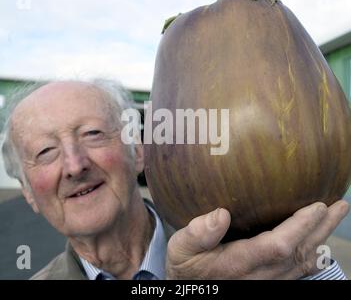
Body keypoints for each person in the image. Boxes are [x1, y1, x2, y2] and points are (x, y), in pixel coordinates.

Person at [1, 79, 349, 280]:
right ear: (29, 192)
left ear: (138, 150)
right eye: (46, 152)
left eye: (93, 133)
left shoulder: (245, 242)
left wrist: (305, 268)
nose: (75, 165)